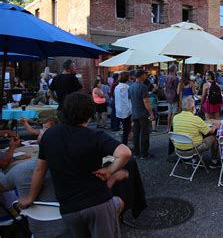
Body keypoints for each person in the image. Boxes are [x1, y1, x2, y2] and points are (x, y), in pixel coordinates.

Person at [18, 92, 132, 238]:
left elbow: (40, 169)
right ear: (90, 114)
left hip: (69, 207)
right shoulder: (95, 136)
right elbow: (125, 153)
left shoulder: (49, 135)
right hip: (97, 202)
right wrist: (110, 170)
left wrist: (30, 197)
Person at [0, 160, 71, 237]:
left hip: (37, 231)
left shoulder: (21, 170)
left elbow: (3, 187)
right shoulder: (74, 168)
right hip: (73, 229)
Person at [172, 96, 220, 168]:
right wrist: (215, 126)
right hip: (193, 149)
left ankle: (195, 160)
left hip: (178, 149)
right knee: (214, 138)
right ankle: (214, 161)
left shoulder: (175, 117)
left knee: (193, 134)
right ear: (192, 107)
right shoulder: (196, 119)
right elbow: (210, 131)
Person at [129, 69, 155, 159]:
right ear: (141, 76)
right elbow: (146, 102)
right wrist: (151, 113)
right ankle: (144, 153)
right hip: (143, 113)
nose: (146, 76)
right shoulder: (143, 86)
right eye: (145, 74)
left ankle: (136, 153)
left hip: (135, 112)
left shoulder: (131, 86)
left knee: (136, 133)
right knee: (144, 134)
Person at [114, 71, 132, 147]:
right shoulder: (127, 87)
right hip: (126, 111)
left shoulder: (117, 87)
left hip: (119, 110)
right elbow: (130, 99)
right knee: (126, 130)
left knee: (125, 129)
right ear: (127, 78)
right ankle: (125, 145)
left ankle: (124, 144)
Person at [165, 65, 180, 133]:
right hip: (174, 96)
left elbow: (164, 88)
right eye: (176, 69)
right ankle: (172, 127)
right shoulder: (175, 78)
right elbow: (177, 89)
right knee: (174, 113)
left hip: (168, 96)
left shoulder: (166, 77)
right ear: (174, 70)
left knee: (169, 113)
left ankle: (168, 127)